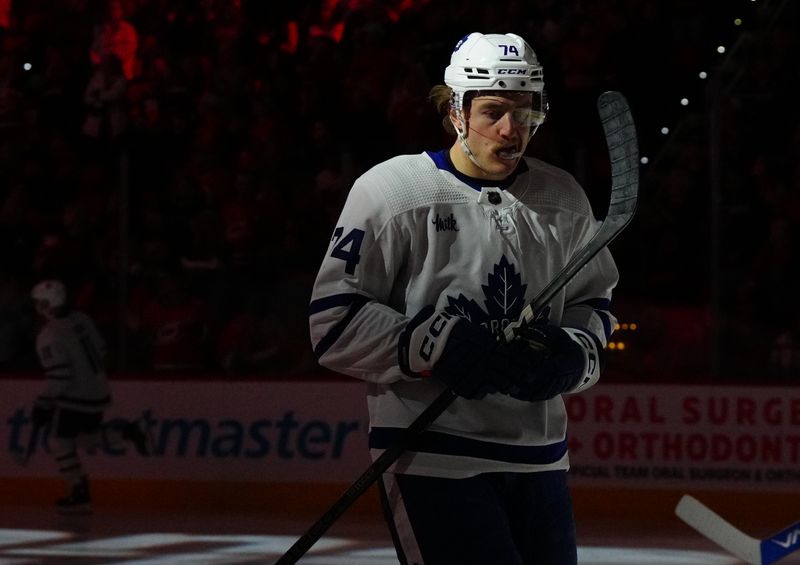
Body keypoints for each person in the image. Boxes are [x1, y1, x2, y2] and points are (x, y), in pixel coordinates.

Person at [308, 32, 619, 564]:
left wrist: (574, 352)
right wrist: (436, 346)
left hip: (538, 456)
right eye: (494, 110)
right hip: (434, 457)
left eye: (525, 113)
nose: (511, 130)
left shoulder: (563, 196)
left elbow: (595, 304)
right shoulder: (391, 192)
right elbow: (333, 321)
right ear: (455, 109)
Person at [30, 279, 151, 514]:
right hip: (98, 392)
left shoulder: (48, 334)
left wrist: (43, 403)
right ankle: (128, 431)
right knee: (85, 439)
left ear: (47, 303)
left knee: (58, 441)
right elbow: (102, 351)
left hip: (75, 396)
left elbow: (60, 376)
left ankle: (79, 491)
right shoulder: (82, 319)